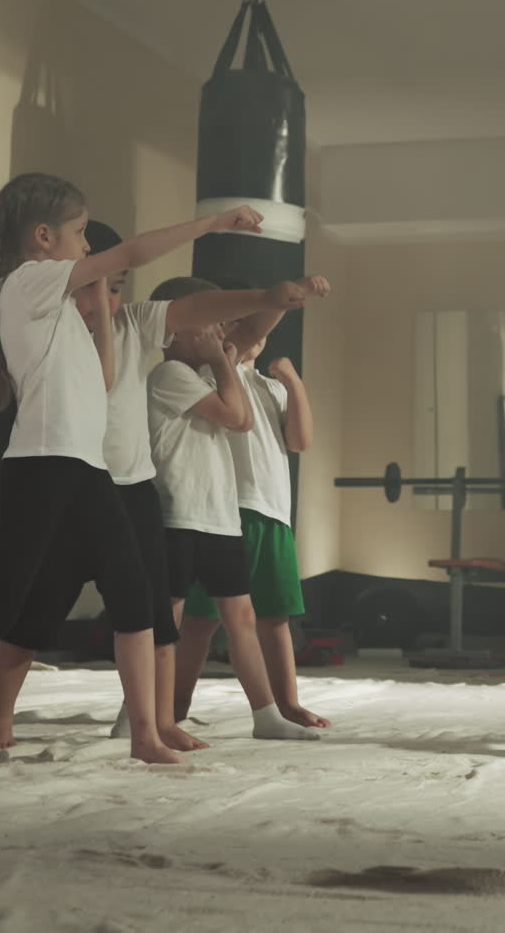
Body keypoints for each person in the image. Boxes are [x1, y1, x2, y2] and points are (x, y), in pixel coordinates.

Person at [0, 172, 268, 770]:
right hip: (42, 468)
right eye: (79, 234)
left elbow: (102, 382)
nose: (89, 249)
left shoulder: (63, 306)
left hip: (87, 469)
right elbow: (133, 250)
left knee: (136, 598)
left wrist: (95, 306)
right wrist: (213, 223)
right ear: (42, 237)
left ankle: (145, 734)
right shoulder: (28, 282)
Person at [0, 222, 315, 754]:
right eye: (93, 284)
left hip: (133, 489)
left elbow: (198, 312)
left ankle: (150, 723)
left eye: (114, 286)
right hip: (74, 482)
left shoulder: (136, 324)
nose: (105, 298)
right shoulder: (50, 329)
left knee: (153, 614)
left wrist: (267, 297)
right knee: (38, 609)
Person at [146, 275, 328, 742]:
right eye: (218, 321)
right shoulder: (204, 370)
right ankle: (168, 708)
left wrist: (289, 372)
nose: (229, 330)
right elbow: (240, 405)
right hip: (221, 508)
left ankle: (276, 705)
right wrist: (283, 297)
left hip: (263, 510)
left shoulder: (261, 381)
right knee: (197, 620)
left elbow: (299, 440)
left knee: (266, 615)